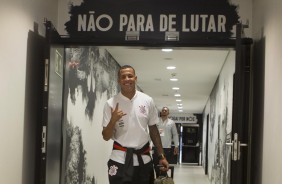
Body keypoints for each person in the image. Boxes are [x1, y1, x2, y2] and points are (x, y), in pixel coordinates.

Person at [102, 65, 169, 184]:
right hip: (119, 159)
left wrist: (161, 156)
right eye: (123, 77)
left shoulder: (147, 100)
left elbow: (153, 130)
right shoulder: (110, 103)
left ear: (135, 78)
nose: (127, 79)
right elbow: (106, 137)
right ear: (119, 80)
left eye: (130, 76)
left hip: (143, 159)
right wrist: (113, 120)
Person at [152, 107, 179, 178]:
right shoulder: (156, 121)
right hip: (156, 147)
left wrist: (176, 146)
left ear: (168, 113)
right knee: (156, 166)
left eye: (165, 110)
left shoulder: (171, 123)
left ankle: (163, 179)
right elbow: (151, 133)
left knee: (164, 166)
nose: (164, 111)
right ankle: (158, 179)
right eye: (163, 110)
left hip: (166, 147)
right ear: (161, 112)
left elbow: (175, 134)